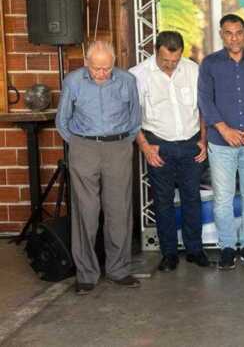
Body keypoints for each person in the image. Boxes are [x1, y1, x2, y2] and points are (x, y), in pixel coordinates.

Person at [56, 41, 142, 294]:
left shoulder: (127, 80)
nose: (102, 73)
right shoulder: (73, 81)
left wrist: (121, 143)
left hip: (118, 146)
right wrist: (80, 145)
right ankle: (86, 274)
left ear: (114, 63)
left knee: (119, 209)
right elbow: (62, 121)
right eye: (96, 68)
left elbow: (135, 119)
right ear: (87, 63)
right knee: (86, 211)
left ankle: (119, 270)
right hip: (84, 147)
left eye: (107, 68)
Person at [130, 31, 210, 271]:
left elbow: (203, 108)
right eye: (166, 60)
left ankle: (195, 250)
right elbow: (131, 117)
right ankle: (169, 254)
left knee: (192, 198)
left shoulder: (193, 70)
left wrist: (203, 139)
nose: (171, 65)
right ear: (156, 51)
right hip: (158, 144)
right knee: (163, 201)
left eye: (175, 60)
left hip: (190, 143)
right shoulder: (138, 75)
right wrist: (145, 146)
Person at [198, 14, 244, 270]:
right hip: (220, 142)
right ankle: (226, 247)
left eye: (238, 32)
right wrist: (223, 129)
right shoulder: (209, 63)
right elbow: (205, 100)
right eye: (228, 33)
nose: (234, 38)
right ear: (221, 35)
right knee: (223, 199)